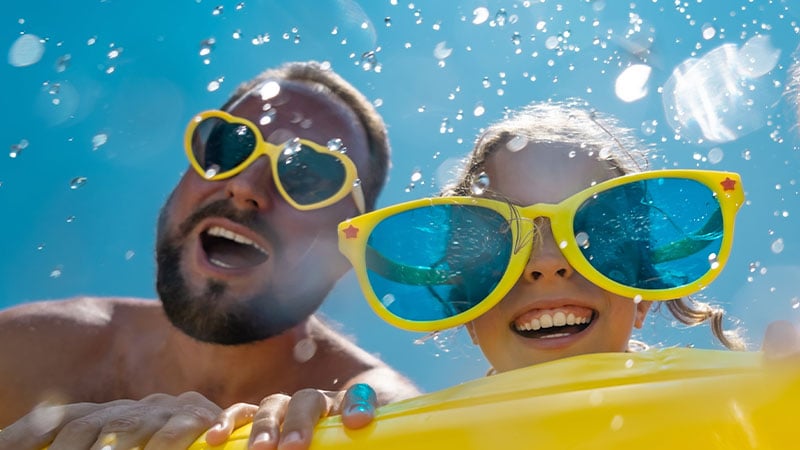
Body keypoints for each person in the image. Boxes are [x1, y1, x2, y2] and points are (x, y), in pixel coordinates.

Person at [208, 99, 800, 450]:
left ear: (642, 294)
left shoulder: (738, 413)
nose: (546, 263)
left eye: (597, 236)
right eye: (496, 249)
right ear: (467, 306)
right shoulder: (400, 432)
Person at [0, 60, 420, 449]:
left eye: (307, 176)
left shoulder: (378, 415)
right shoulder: (28, 353)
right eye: (228, 146)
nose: (246, 187)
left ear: (348, 246)